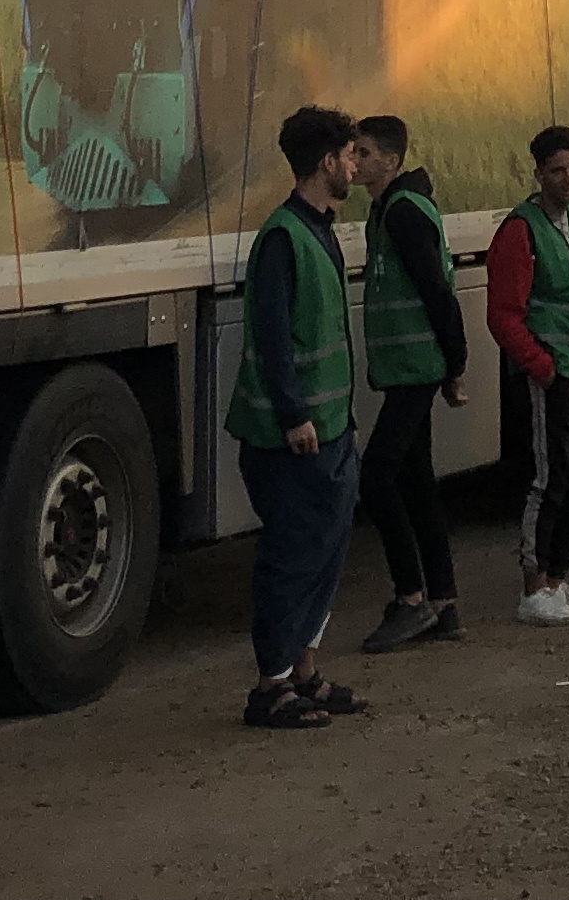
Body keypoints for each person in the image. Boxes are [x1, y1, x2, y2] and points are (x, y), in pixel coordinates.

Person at [229, 108, 368, 721]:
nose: (355, 166)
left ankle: (303, 671)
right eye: (349, 156)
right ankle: (270, 687)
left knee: (325, 553)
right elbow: (272, 337)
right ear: (325, 162)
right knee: (291, 558)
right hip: (291, 439)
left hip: (330, 430)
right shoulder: (284, 237)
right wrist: (293, 415)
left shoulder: (317, 229)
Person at [347, 116, 468, 648]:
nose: (355, 161)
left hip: (417, 369)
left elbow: (438, 292)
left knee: (376, 478)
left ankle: (411, 597)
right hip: (406, 369)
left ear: (391, 161)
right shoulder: (388, 209)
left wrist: (454, 363)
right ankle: (444, 603)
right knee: (417, 483)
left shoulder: (402, 212)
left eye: (365, 152)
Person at [487, 124, 569, 622]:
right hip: (555, 373)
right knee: (549, 478)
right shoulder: (521, 230)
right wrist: (541, 365)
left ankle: (559, 581)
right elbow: (504, 315)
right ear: (539, 173)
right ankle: (534, 586)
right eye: (558, 170)